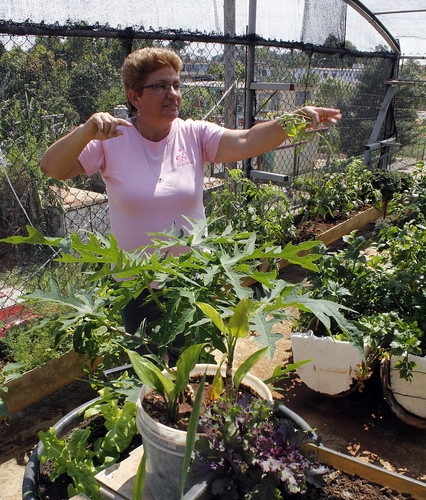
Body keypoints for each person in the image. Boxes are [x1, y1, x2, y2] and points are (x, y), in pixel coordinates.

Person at [40, 46, 341, 340]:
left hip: (193, 280)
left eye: (176, 85)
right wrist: (86, 131)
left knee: (193, 372)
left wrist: (295, 119)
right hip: (137, 284)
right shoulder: (111, 139)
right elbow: (53, 168)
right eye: (160, 86)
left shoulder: (194, 133)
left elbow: (247, 140)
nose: (173, 93)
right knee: (153, 376)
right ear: (135, 96)